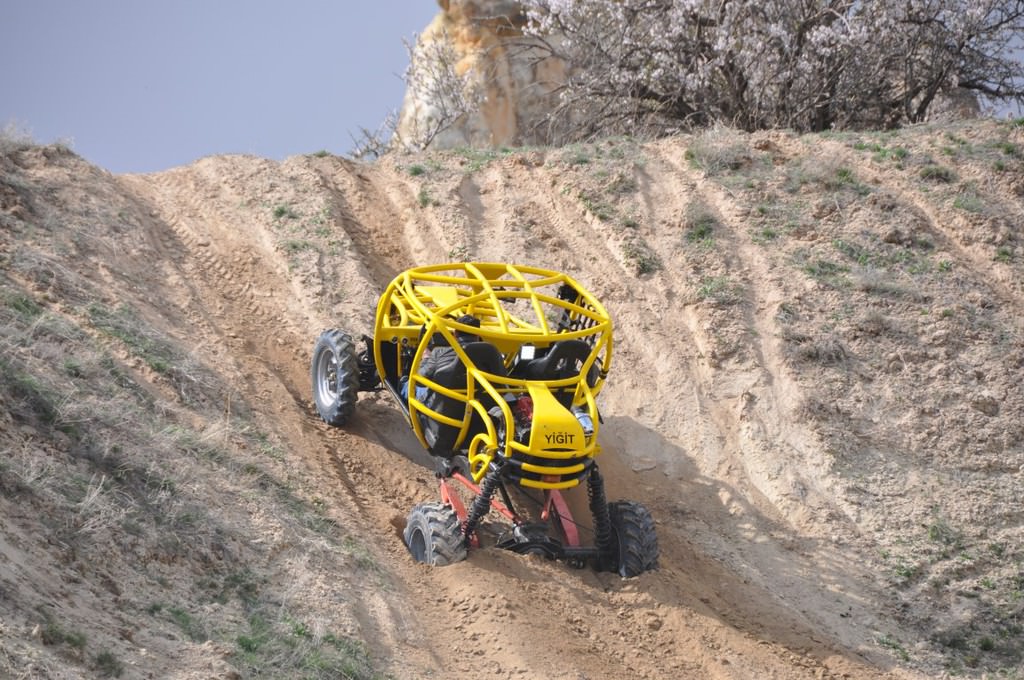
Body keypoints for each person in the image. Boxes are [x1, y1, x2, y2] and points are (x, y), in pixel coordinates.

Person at [400, 314, 482, 403]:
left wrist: (426, 358)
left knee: (407, 384)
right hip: (477, 407)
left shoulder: (438, 352)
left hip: (441, 410)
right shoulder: (491, 353)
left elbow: (419, 381)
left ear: (455, 333)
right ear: (478, 334)